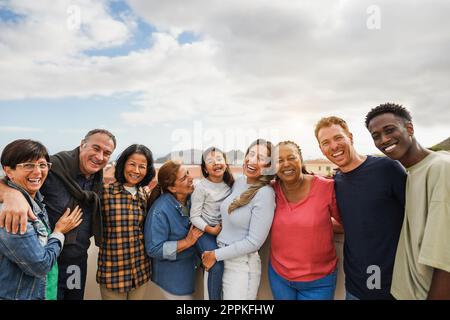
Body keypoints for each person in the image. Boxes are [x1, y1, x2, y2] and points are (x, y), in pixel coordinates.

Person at [0, 129, 116, 300]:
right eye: (95, 148)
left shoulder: (97, 176)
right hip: (48, 263)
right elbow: (16, 178)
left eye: (107, 153)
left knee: (74, 297)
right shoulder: (52, 167)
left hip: (75, 263)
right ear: (82, 145)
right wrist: (11, 194)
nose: (100, 157)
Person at [315, 116, 406, 300]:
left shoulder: (387, 168)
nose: (334, 146)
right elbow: (351, 221)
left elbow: (417, 214)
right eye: (326, 142)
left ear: (350, 136)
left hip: (392, 286)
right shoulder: (336, 183)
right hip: (355, 285)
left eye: (338, 138)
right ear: (321, 149)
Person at [365, 103, 450, 300]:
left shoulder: (440, 169)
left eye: (390, 130)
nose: (384, 140)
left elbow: (446, 259)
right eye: (376, 136)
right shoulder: (411, 171)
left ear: (409, 128)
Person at [0, 139, 82, 300]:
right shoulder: (14, 212)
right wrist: (58, 232)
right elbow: (40, 266)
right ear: (8, 171)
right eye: (28, 165)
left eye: (43, 165)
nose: (37, 172)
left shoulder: (35, 200)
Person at [202, 139, 276, 300]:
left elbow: (254, 242)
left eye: (261, 158)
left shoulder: (265, 194)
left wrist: (215, 255)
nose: (253, 160)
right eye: (251, 154)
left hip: (240, 266)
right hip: (218, 259)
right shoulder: (239, 182)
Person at [269, 141, 342, 300]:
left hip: (319, 281)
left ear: (301, 160)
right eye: (279, 161)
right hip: (279, 276)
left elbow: (345, 223)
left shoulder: (326, 187)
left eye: (291, 158)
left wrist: (322, 225)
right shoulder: (270, 191)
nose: (286, 164)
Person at [97, 144, 156, 300]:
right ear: (123, 164)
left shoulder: (144, 193)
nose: (136, 171)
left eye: (142, 166)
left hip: (141, 271)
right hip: (112, 273)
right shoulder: (104, 192)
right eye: (132, 164)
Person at [145, 160, 204, 299]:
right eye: (184, 178)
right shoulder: (160, 211)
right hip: (172, 279)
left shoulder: (191, 199)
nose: (191, 178)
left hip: (188, 273)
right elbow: (154, 249)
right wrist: (187, 242)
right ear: (172, 188)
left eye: (188, 173)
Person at [190, 147, 234, 300]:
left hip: (224, 232)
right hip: (205, 232)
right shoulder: (201, 187)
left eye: (219, 159)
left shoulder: (231, 184)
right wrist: (211, 230)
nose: (216, 163)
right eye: (210, 161)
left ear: (226, 163)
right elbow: (194, 216)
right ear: (205, 169)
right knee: (216, 266)